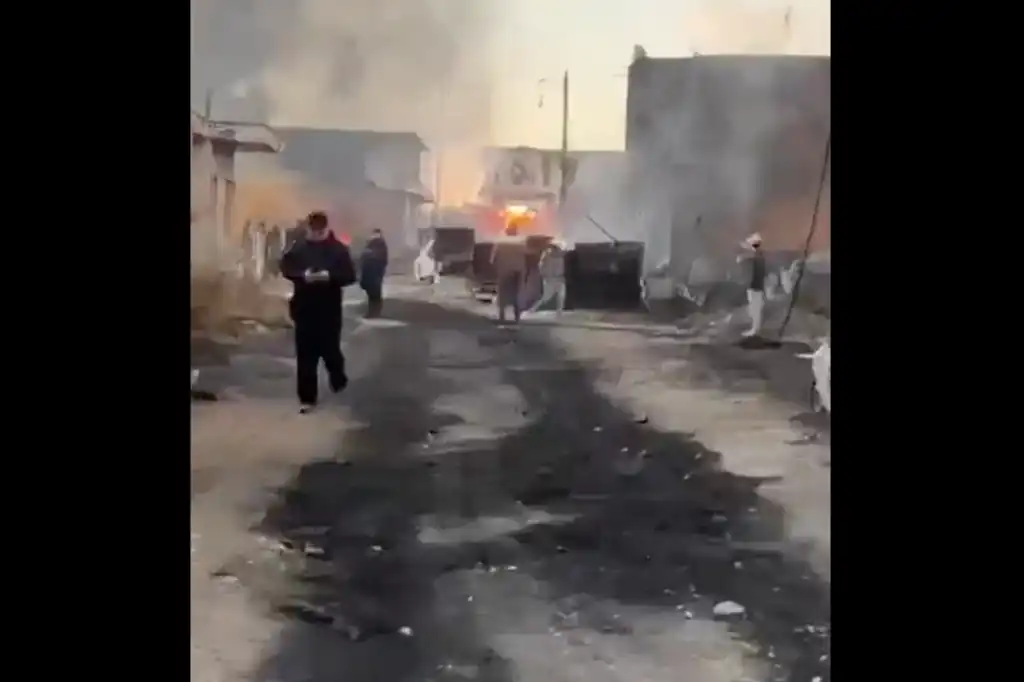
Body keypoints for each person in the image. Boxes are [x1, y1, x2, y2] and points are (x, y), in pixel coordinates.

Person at [279, 211, 357, 413]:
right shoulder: (299, 248)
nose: (314, 235)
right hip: (304, 308)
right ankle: (307, 399)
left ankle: (337, 376)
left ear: (325, 229)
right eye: (312, 231)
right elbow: (286, 267)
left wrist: (329, 277)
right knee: (306, 356)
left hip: (328, 310)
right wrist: (302, 275)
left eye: (318, 231)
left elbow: (349, 275)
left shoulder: (338, 250)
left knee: (330, 351)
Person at [490, 224, 527, 324]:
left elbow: (493, 259)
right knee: (518, 293)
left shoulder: (500, 243)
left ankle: (502, 316)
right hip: (518, 271)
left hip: (504, 270)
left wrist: (495, 269)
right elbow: (527, 256)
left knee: (502, 294)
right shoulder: (522, 243)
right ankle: (517, 317)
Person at [737, 233, 767, 337]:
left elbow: (748, 264)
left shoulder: (755, 256)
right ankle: (755, 328)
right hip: (756, 286)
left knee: (755, 308)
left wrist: (741, 260)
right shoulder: (758, 255)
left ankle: (755, 329)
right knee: (755, 308)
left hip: (755, 286)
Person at [359, 228, 389, 318]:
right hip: (369, 272)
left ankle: (374, 312)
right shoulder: (370, 243)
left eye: (376, 234)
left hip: (376, 272)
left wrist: (370, 255)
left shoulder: (381, 244)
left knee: (375, 293)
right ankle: (372, 311)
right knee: (371, 293)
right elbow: (363, 256)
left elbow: (382, 259)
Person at [532, 240, 567, 314]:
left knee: (561, 295)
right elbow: (541, 267)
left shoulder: (560, 255)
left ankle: (559, 312)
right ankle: (533, 309)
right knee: (546, 297)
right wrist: (544, 275)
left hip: (559, 279)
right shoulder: (547, 256)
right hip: (550, 280)